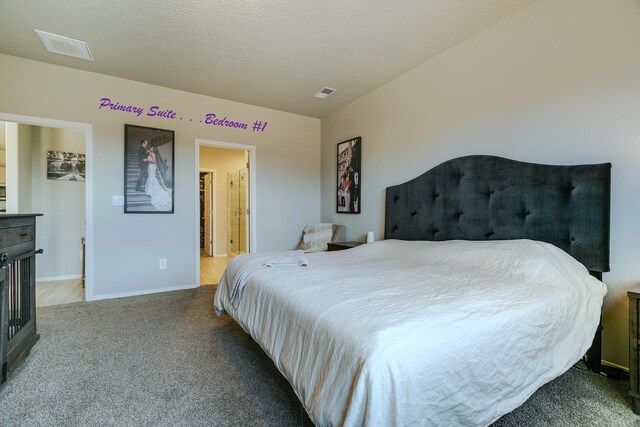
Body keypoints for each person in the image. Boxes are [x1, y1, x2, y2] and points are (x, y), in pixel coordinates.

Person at [145, 146, 172, 211]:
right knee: (151, 177)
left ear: (153, 150)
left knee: (152, 178)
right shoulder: (150, 153)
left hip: (152, 166)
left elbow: (154, 161)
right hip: (150, 166)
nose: (150, 148)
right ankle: (150, 189)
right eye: (150, 148)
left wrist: (147, 160)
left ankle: (152, 190)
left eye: (151, 148)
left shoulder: (153, 154)